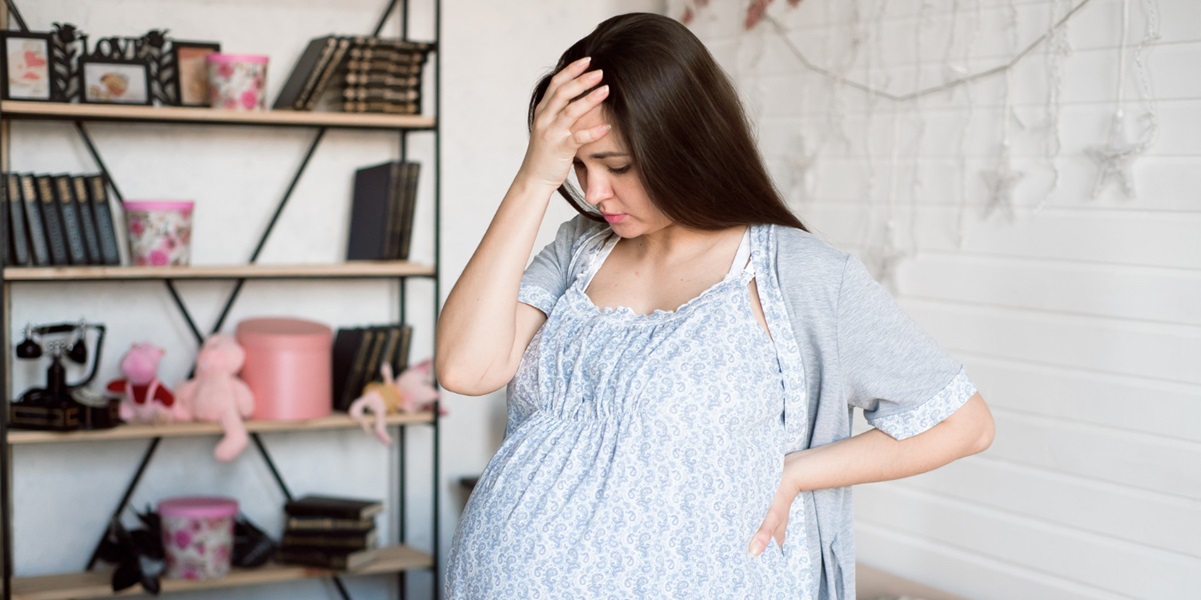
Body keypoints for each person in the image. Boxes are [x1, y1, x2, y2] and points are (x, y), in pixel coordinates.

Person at [437, 12, 994, 599]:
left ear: (685, 144)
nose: (596, 194)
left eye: (617, 166)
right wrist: (533, 178)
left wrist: (797, 472)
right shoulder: (581, 250)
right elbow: (465, 368)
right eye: (579, 166)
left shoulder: (798, 276)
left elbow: (963, 423)